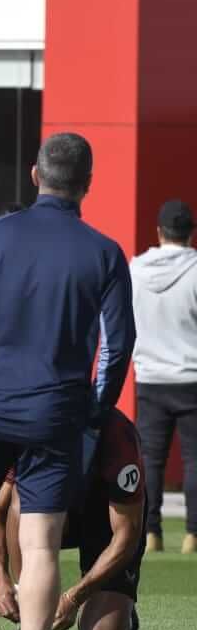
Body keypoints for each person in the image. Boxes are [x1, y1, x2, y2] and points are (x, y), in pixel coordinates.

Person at [0, 132, 135, 630]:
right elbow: (117, 345)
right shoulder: (104, 252)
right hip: (54, 412)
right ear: (87, 185)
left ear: (35, 175)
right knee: (39, 545)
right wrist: (93, 410)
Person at [0, 408, 146, 630]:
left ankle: (122, 612)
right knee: (19, 502)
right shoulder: (29, 427)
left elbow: (126, 536)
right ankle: (30, 614)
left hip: (108, 520)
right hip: (55, 512)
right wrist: (1, 580)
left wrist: (73, 598)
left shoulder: (117, 436)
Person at [129, 199, 197, 555]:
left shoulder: (135, 269)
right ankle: (193, 535)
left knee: (150, 461)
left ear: (159, 232)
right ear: (190, 234)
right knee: (194, 461)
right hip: (192, 377)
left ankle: (151, 532)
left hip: (151, 377)